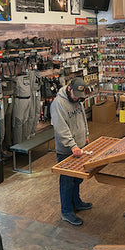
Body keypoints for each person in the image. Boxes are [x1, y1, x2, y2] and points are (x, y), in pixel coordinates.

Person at [50, 77, 91, 226]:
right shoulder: (58, 104)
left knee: (77, 179)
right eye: (75, 95)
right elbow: (61, 128)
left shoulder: (77, 100)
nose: (77, 99)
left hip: (79, 147)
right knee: (67, 181)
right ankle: (66, 211)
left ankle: (77, 202)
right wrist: (73, 145)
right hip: (67, 150)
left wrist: (85, 135)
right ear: (69, 89)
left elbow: (82, 118)